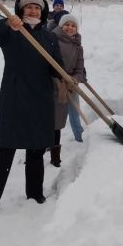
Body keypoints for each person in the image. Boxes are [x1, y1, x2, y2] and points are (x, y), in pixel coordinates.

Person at [0, 0, 64, 224]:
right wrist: (6, 24)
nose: (33, 11)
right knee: (6, 151)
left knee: (36, 150)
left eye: (37, 8)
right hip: (14, 99)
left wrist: (66, 77)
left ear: (42, 12)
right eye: (29, 7)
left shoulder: (49, 37)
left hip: (41, 100)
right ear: (21, 11)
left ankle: (34, 194)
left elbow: (57, 67)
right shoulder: (11, 32)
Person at [49, 13, 87, 167]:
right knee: (53, 119)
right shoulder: (52, 40)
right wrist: (58, 78)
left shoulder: (78, 46)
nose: (69, 28)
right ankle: (48, 148)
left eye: (73, 25)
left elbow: (80, 68)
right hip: (53, 83)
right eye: (67, 24)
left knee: (74, 112)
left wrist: (75, 79)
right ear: (60, 26)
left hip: (70, 83)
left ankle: (80, 137)